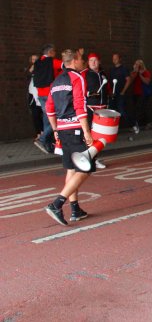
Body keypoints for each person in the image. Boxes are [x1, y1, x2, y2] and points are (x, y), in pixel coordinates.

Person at [44, 49, 94, 226]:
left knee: (71, 169)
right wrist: (87, 132)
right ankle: (57, 204)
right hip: (76, 129)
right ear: (73, 61)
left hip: (63, 130)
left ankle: (75, 210)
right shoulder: (77, 78)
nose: (83, 62)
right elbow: (80, 106)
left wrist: (56, 129)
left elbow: (49, 109)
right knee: (85, 168)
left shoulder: (56, 82)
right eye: (81, 59)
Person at [33, 44, 63, 154]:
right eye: (54, 52)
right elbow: (66, 65)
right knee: (57, 119)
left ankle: (48, 144)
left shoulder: (37, 62)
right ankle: (42, 138)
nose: (55, 54)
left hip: (40, 94)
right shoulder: (52, 61)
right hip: (50, 95)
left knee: (47, 117)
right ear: (50, 52)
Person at [84, 53, 109, 169]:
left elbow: (107, 89)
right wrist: (89, 93)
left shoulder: (103, 74)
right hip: (91, 108)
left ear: (99, 61)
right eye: (91, 61)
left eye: (95, 60)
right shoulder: (85, 74)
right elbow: (81, 90)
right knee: (92, 136)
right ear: (88, 63)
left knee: (100, 136)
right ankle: (91, 159)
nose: (93, 62)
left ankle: (94, 157)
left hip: (102, 108)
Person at [109, 53, 134, 131]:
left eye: (116, 58)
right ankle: (113, 128)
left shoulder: (124, 69)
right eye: (113, 58)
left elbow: (128, 80)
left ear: (120, 59)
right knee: (112, 111)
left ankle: (133, 124)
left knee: (122, 111)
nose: (114, 60)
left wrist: (123, 91)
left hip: (121, 94)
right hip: (113, 94)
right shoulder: (112, 69)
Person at [130, 59, 152, 131]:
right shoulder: (134, 72)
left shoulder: (146, 72)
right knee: (135, 109)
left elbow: (147, 82)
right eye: (135, 64)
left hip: (143, 93)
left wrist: (140, 74)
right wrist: (135, 72)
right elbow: (131, 80)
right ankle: (139, 124)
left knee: (141, 109)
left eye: (138, 64)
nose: (137, 65)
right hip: (135, 93)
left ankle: (144, 124)